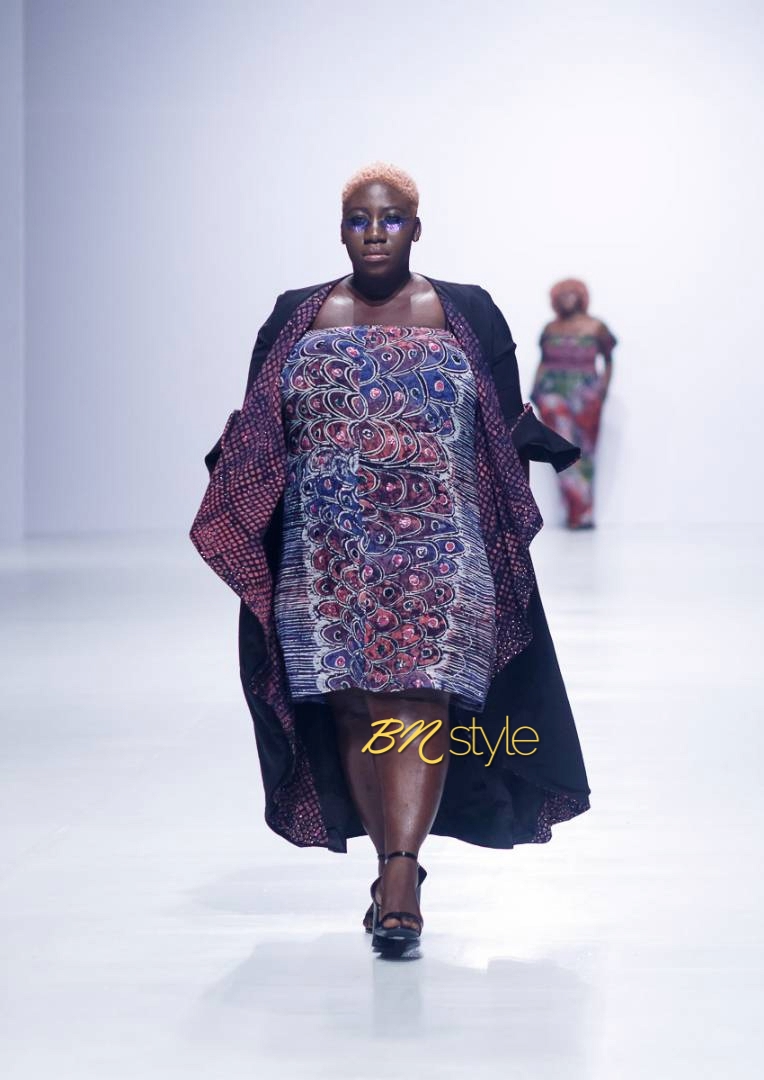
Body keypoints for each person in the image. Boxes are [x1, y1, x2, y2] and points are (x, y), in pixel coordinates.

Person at [189, 163, 591, 957]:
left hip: (439, 543)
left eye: (393, 218)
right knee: (355, 707)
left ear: (417, 227)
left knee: (421, 700)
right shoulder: (296, 315)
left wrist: (539, 460)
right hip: (326, 550)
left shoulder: (465, 310)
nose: (376, 233)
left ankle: (402, 878)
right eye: (360, 220)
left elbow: (502, 422)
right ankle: (389, 864)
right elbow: (261, 427)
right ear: (341, 230)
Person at [531, 278, 617, 529]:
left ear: (581, 296)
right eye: (562, 294)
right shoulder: (550, 328)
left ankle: (584, 514)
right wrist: (535, 390)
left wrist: (602, 390)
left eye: (572, 293)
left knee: (585, 452)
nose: (567, 298)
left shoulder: (596, 327)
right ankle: (575, 513)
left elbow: (609, 360)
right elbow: (543, 361)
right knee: (562, 451)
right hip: (553, 395)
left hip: (586, 395)